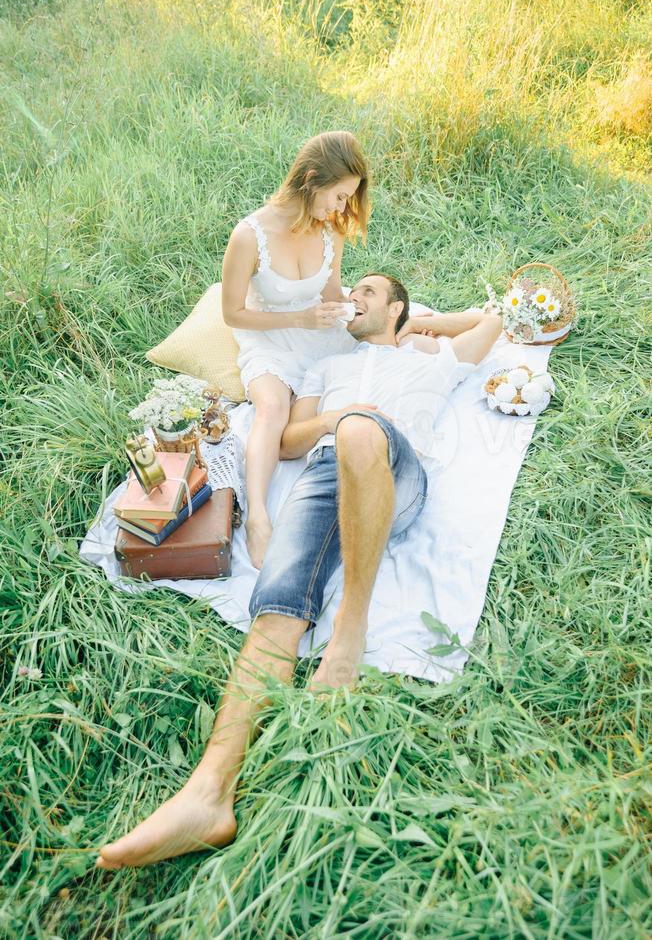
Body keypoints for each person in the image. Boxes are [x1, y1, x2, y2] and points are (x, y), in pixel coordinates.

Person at [95, 274, 503, 871]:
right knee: (278, 599)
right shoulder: (327, 370)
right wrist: (344, 413)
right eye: (353, 291)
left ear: (397, 307)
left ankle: (349, 634)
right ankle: (208, 794)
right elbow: (287, 439)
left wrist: (425, 326)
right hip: (322, 470)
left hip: (398, 475)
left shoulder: (435, 359)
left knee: (363, 431)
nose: (354, 299)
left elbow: (490, 326)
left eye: (368, 293)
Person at [221, 131, 369, 569]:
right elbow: (232, 314)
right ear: (311, 179)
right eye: (339, 196)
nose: (342, 208)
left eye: (348, 199)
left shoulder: (331, 230)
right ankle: (258, 517)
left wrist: (352, 312)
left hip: (315, 328)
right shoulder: (249, 236)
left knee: (362, 376)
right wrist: (298, 319)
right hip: (267, 332)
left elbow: (329, 293)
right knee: (270, 407)